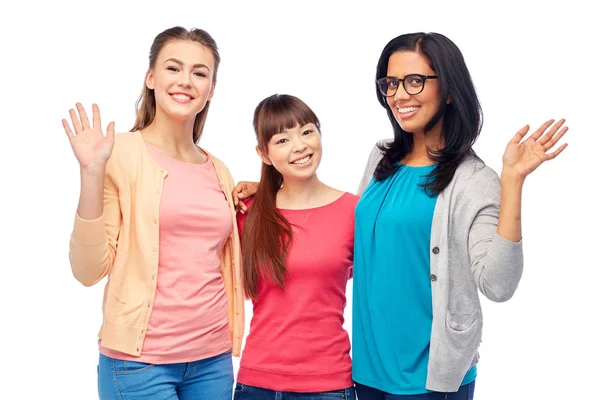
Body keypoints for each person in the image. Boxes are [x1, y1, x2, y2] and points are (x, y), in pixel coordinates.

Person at [232, 32, 567, 400]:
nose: (399, 95)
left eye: (415, 81)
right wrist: (268, 192)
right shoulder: (381, 159)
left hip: (430, 377)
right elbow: (343, 240)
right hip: (366, 373)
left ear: (450, 89)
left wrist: (512, 183)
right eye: (391, 83)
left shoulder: (473, 181)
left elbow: (498, 285)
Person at [62, 26, 244, 400]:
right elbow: (87, 269)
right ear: (151, 78)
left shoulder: (219, 170)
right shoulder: (121, 154)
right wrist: (92, 173)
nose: (186, 81)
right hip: (139, 364)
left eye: (199, 73)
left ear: (211, 89)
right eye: (173, 68)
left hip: (213, 360)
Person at [233, 94, 358, 400]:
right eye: (282, 139)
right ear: (263, 154)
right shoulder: (247, 211)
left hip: (329, 385)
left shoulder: (355, 211)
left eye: (306, 131)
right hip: (256, 384)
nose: (300, 146)